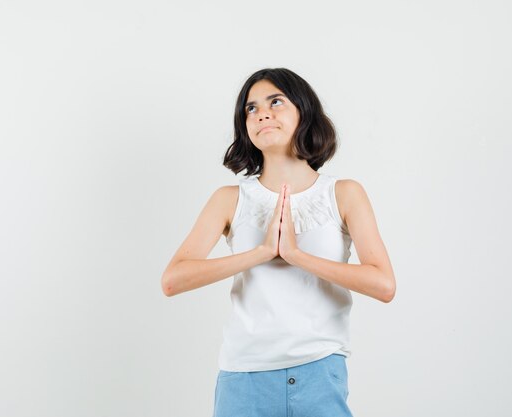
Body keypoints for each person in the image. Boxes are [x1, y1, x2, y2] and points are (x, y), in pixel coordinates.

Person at [161, 68, 396, 417]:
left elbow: (383, 284)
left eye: (276, 102)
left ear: (304, 112)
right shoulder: (229, 199)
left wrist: (296, 256)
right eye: (251, 108)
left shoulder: (343, 193)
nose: (262, 114)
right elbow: (173, 279)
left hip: (318, 371)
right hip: (243, 378)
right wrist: (260, 253)